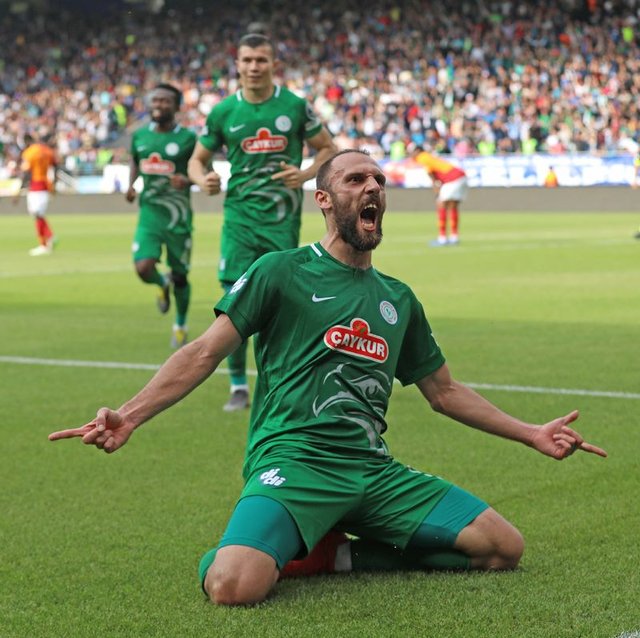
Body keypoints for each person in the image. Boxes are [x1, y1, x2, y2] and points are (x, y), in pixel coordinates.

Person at [49, 150, 607, 607]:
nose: (372, 187)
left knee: (502, 548)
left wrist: (531, 432)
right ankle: (262, 545)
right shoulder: (280, 271)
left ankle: (334, 555)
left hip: (372, 470)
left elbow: (445, 392)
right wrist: (130, 415)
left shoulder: (398, 299)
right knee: (232, 586)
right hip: (295, 463)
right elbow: (202, 352)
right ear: (323, 199)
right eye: (355, 179)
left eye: (378, 180)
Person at [187, 32, 336, 412]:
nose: (254, 67)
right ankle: (238, 385)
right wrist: (202, 179)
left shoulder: (294, 106)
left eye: (261, 60)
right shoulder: (223, 112)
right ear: (237, 64)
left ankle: (276, 386)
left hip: (281, 224)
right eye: (247, 60)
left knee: (277, 308)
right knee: (234, 301)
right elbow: (196, 160)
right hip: (239, 221)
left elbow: (327, 148)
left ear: (274, 65)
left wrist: (305, 174)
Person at [126, 84, 197, 349]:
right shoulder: (140, 135)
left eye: (165, 101)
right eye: (155, 100)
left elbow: (203, 171)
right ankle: (160, 282)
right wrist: (131, 184)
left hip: (178, 217)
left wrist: (187, 180)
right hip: (150, 214)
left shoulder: (188, 138)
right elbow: (135, 160)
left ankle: (180, 325)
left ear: (176, 106)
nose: (159, 105)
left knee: (180, 276)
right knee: (143, 267)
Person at [411, 146, 468, 247]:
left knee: (441, 204)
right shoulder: (430, 156)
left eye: (412, 152)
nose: (411, 154)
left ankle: (442, 238)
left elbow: (430, 172)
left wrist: (435, 186)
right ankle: (454, 237)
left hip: (451, 178)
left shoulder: (422, 156)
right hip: (461, 175)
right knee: (453, 206)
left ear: (418, 151)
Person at [14, 133, 58, 256]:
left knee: (36, 214)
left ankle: (45, 241)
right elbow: (56, 166)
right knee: (38, 214)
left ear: (26, 142)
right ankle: (47, 239)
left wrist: (19, 191)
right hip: (46, 185)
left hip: (35, 186)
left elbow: (27, 173)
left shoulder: (29, 153)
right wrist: (54, 185)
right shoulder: (47, 150)